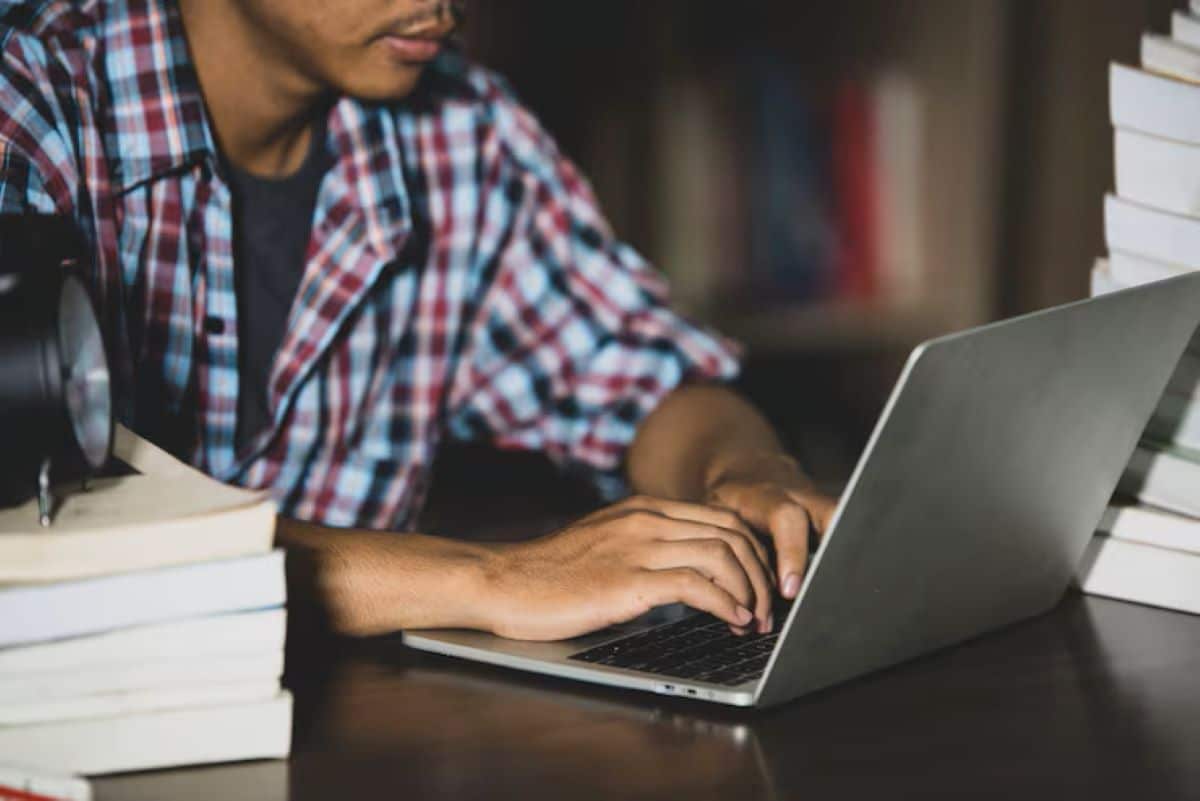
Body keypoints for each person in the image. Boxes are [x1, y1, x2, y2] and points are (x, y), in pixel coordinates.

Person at [0, 0, 836, 641]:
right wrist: (489, 578)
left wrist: (745, 470)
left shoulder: (459, 126)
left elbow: (643, 376)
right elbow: (49, 539)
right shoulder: (27, 99)